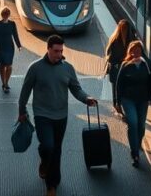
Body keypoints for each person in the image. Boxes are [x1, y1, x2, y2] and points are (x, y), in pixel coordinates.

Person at [18, 35, 97, 196]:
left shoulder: (68, 68)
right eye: (56, 51)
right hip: (42, 115)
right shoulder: (35, 68)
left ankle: (52, 182)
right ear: (48, 49)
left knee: (57, 149)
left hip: (61, 115)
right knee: (48, 146)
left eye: (61, 51)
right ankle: (49, 178)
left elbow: (76, 88)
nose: (59, 54)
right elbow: (25, 91)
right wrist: (21, 111)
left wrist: (86, 98)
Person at [115, 40, 151, 167]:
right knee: (133, 123)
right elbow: (119, 83)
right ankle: (135, 154)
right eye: (135, 50)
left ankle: (137, 145)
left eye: (139, 50)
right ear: (130, 52)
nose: (137, 53)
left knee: (141, 126)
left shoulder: (146, 64)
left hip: (143, 100)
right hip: (128, 99)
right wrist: (117, 101)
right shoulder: (126, 65)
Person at [104, 19, 134, 114]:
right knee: (120, 88)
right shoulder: (131, 39)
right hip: (120, 69)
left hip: (117, 69)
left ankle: (117, 105)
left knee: (116, 88)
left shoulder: (114, 39)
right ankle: (118, 105)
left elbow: (109, 56)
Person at [0, 7, 22, 93]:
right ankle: (4, 83)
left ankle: (6, 82)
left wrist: (19, 45)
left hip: (9, 47)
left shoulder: (12, 24)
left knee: (9, 65)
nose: (5, 16)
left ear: (8, 15)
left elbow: (15, 35)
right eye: (4, 15)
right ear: (2, 15)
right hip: (0, 47)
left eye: (7, 15)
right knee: (2, 65)